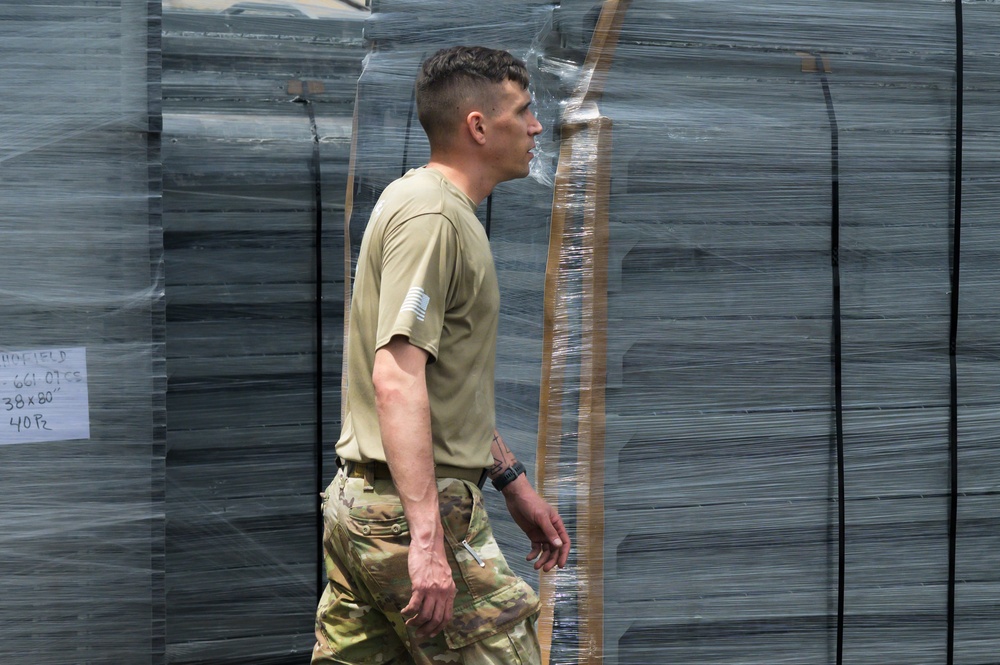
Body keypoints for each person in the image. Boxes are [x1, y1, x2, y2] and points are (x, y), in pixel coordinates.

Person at [311, 45, 571, 665]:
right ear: (478, 127)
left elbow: (444, 382)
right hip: (408, 518)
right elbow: (397, 378)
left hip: (368, 508)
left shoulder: (429, 207)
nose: (537, 126)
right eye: (524, 111)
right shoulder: (432, 217)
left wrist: (510, 480)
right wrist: (427, 540)